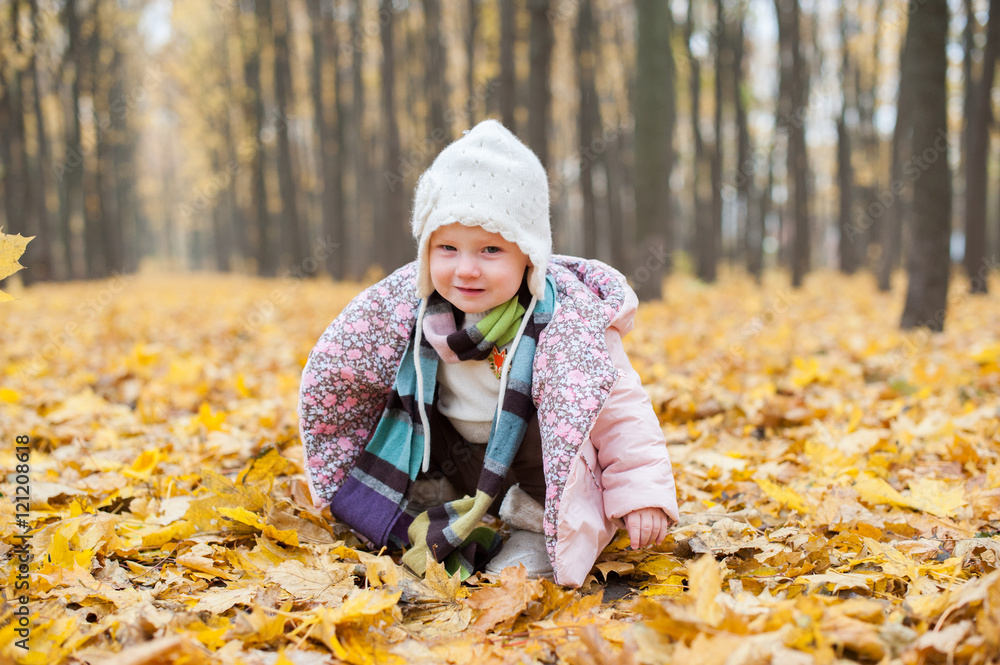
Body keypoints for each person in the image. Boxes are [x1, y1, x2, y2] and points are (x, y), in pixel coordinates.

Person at [298, 119, 678, 587]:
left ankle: (536, 527)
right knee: (408, 396)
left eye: (491, 249)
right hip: (462, 456)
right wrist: (341, 468)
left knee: (553, 425)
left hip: (535, 464)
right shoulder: (411, 314)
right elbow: (350, 374)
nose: (466, 269)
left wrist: (641, 494)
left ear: (529, 256)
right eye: (448, 248)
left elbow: (622, 411)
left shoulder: (566, 324)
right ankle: (429, 500)